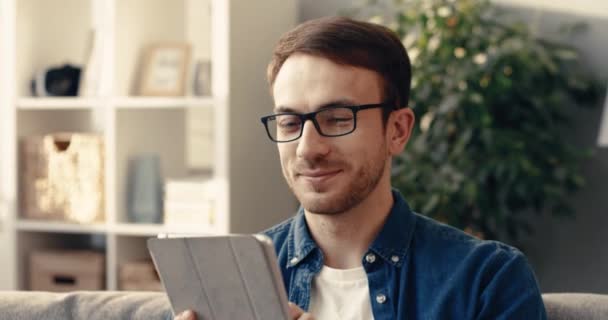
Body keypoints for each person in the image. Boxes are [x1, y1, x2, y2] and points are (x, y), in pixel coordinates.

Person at [176, 16, 547, 320]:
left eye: (337, 119)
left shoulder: (486, 279)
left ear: (397, 130)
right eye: (290, 123)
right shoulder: (227, 280)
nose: (308, 149)